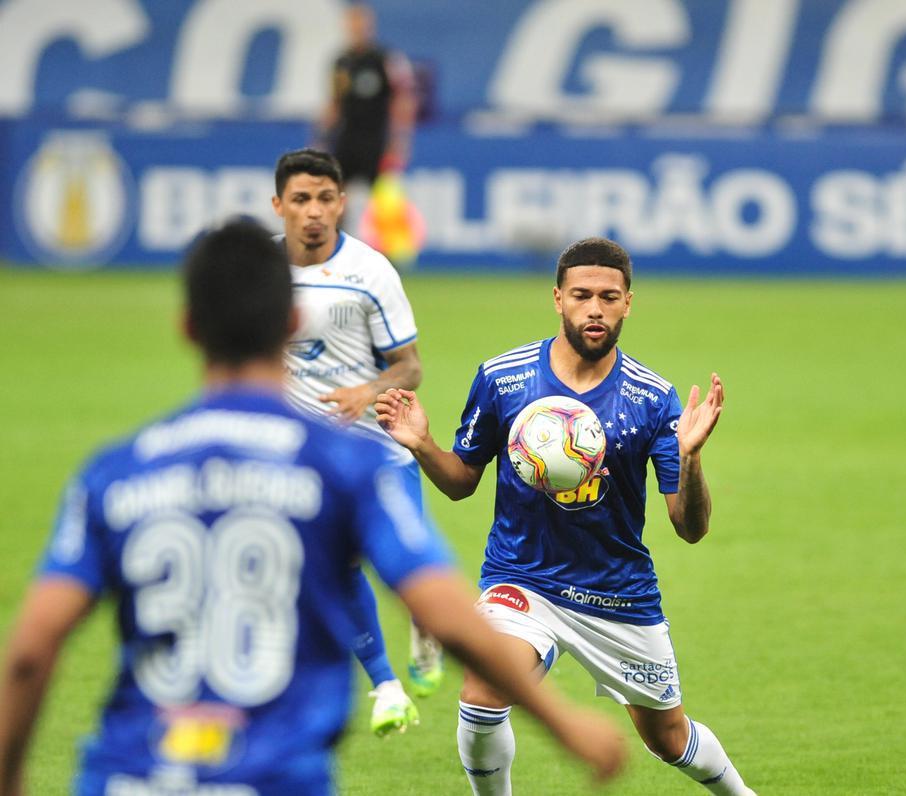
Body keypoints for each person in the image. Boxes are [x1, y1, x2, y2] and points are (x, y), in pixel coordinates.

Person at [0, 219, 626, 796]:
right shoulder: (344, 468)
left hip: (127, 776)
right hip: (273, 776)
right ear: (292, 322)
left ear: (187, 327)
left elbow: (31, 651)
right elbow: (449, 616)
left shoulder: (115, 472)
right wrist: (566, 724)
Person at [375, 237, 757, 795]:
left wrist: (692, 458)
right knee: (481, 697)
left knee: (668, 739)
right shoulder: (503, 378)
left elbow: (690, 527)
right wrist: (424, 444)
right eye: (582, 295)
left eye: (609, 296)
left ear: (630, 302)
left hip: (617, 592)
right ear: (558, 298)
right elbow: (461, 483)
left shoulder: (654, 399)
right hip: (522, 579)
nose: (595, 308)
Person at [271, 147, 444, 738]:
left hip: (379, 448)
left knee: (405, 575)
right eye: (301, 200)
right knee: (334, 565)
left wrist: (365, 391)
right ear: (279, 206)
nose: (314, 211)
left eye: (325, 198)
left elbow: (411, 366)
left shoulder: (371, 272)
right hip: (309, 456)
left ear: (342, 203)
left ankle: (426, 630)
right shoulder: (262, 274)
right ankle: (386, 688)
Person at [317, 2, 417, 234]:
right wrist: (321, 137)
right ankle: (335, 250)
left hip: (377, 141)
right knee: (336, 198)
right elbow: (334, 103)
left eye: (361, 22)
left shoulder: (385, 59)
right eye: (352, 22)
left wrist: (400, 139)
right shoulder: (341, 62)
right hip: (347, 139)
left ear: (370, 25)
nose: (357, 28)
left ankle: (391, 260)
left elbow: (402, 100)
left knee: (386, 205)